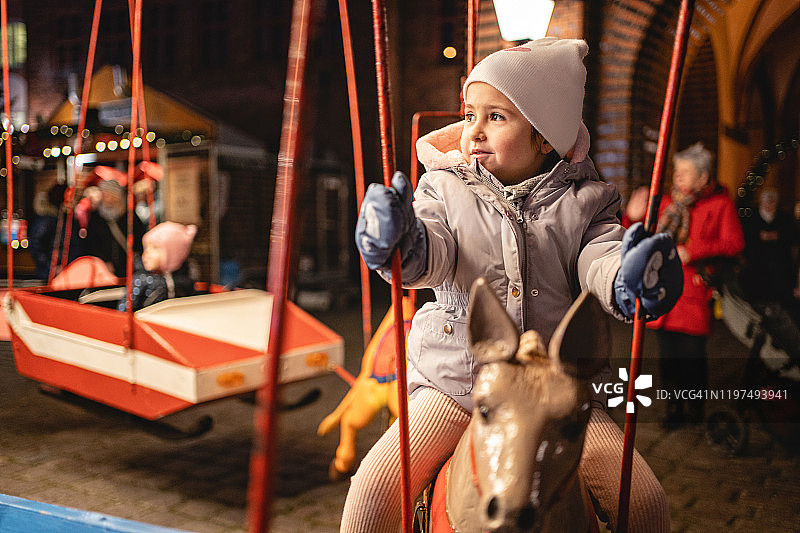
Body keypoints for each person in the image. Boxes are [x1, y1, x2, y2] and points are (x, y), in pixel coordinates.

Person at [344, 38, 683, 532]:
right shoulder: (443, 187)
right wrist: (402, 242)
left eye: (496, 117)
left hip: (555, 390)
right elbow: (434, 253)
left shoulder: (587, 202)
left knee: (646, 500)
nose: (473, 130)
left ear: (544, 136)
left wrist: (626, 278)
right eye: (469, 113)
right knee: (373, 491)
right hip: (458, 385)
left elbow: (599, 258)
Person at [645, 142, 744, 428]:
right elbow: (641, 235)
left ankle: (694, 409)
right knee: (668, 358)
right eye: (677, 171)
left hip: (693, 293)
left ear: (703, 177)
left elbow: (734, 242)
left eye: (685, 172)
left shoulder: (719, 204)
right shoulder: (666, 203)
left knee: (691, 357)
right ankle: (673, 409)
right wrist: (633, 214)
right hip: (663, 292)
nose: (678, 177)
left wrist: (694, 250)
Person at [739, 187, 800, 361]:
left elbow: (793, 238)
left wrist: (777, 236)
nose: (769, 206)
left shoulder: (784, 219)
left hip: (781, 274)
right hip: (757, 273)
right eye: (767, 203)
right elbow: (745, 240)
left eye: (772, 203)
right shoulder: (752, 218)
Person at [117, 221, 197, 312]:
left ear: (173, 254)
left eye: (155, 248)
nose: (147, 253)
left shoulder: (185, 281)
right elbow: (124, 311)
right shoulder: (141, 280)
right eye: (146, 248)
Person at [78, 179, 147, 277]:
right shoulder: (96, 217)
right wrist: (103, 262)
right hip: (104, 270)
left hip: (129, 268)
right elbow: (91, 243)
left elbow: (140, 238)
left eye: (107, 193)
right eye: (103, 193)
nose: (104, 196)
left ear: (116, 195)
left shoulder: (129, 216)